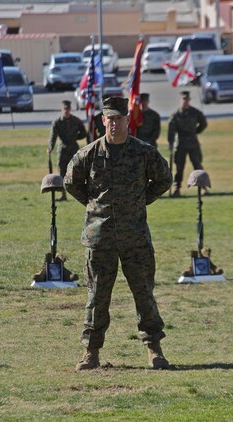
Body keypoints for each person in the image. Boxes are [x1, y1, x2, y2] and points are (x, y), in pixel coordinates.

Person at [64, 96, 172, 371]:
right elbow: (71, 183)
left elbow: (164, 179)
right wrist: (94, 205)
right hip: (100, 239)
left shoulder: (143, 152)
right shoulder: (88, 154)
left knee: (144, 294)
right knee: (97, 296)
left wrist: (140, 200)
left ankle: (154, 350)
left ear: (127, 121)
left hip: (135, 237)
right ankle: (91, 353)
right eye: (109, 119)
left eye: (119, 118)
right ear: (103, 121)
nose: (114, 123)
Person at [167, 91, 208, 198]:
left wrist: (195, 132)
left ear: (189, 100)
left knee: (197, 165)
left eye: (187, 100)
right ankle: (177, 189)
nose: (185, 102)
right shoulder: (175, 115)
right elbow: (171, 130)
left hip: (193, 143)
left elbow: (203, 123)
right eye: (184, 100)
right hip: (180, 144)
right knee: (179, 168)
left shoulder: (195, 112)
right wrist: (171, 143)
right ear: (181, 100)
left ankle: (204, 187)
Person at [47, 100, 87, 201]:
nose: (66, 111)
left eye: (68, 109)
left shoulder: (76, 121)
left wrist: (74, 138)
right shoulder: (57, 122)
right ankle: (63, 195)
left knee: (77, 171)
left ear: (70, 110)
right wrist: (50, 147)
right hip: (63, 149)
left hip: (73, 148)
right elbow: (53, 136)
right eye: (65, 109)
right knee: (62, 172)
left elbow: (83, 133)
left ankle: (79, 194)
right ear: (62, 110)